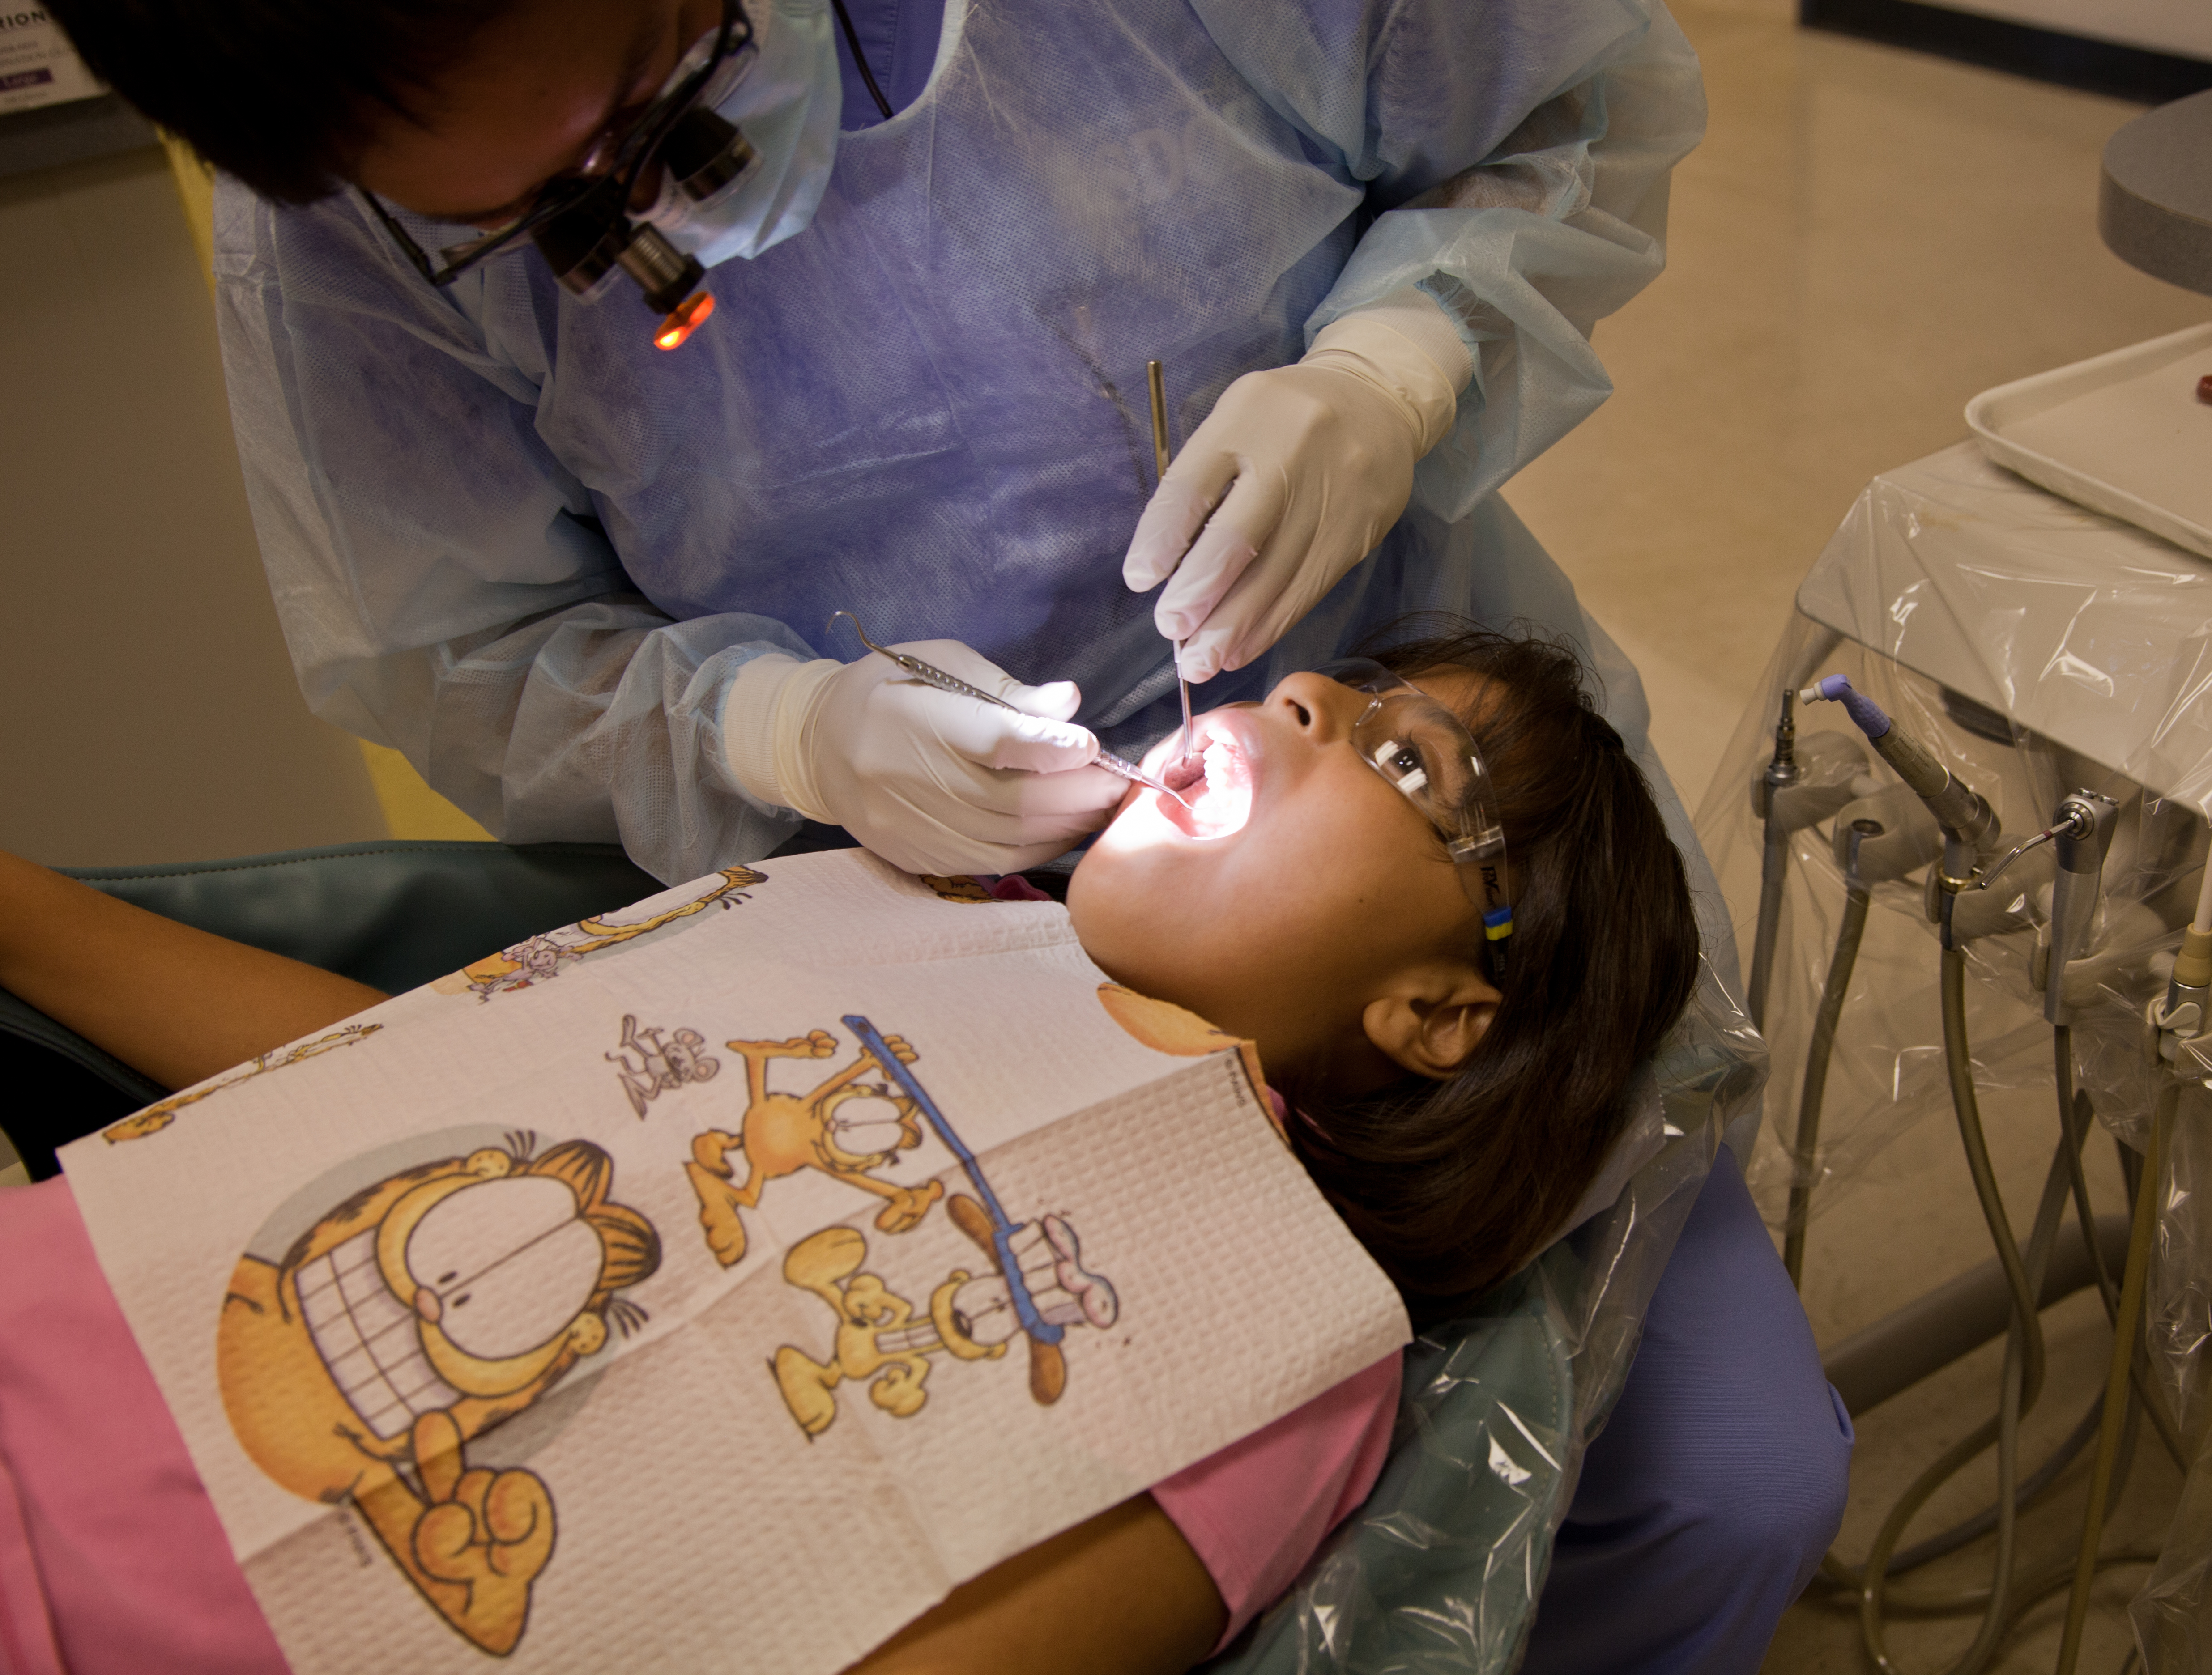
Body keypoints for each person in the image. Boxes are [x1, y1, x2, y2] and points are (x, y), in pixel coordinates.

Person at [47, 0, 1853, 1662]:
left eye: (666, 110)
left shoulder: (1275, 1374)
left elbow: (1562, 110)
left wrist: (1397, 360)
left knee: (1724, 1483)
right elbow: (422, 1052)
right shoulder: (812, 960)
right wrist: (779, 728)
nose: (1303, 697)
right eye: (558, 228)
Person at [0, 631, 1696, 1671]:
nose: (1307, 689)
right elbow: (367, 1096)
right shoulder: (888, 898)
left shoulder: (1287, 1357)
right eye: (1347, 685)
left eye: (1410, 761)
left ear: (1440, 1015)